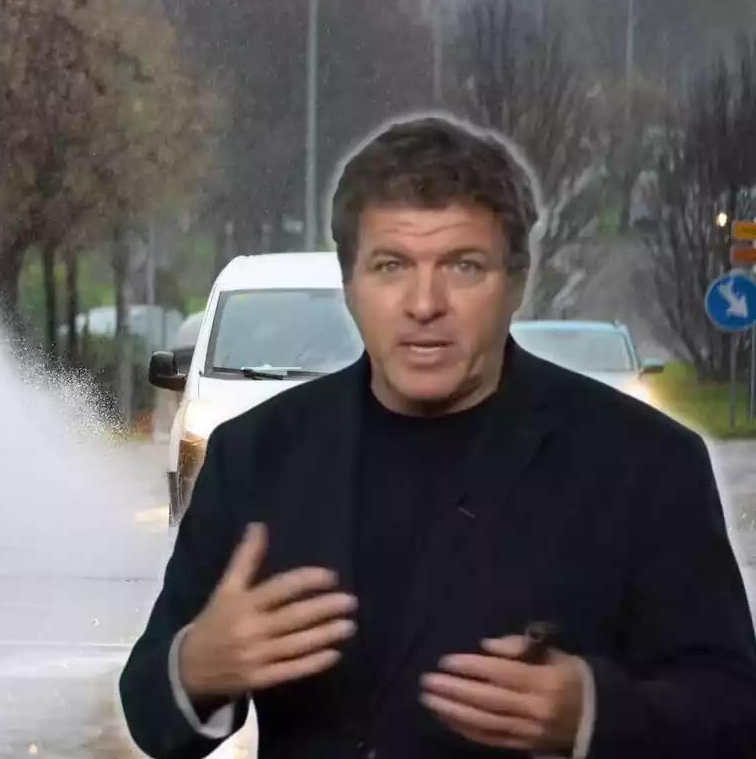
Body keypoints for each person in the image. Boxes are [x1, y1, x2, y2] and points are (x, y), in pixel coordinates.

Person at [117, 113, 756, 758]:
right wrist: (198, 667)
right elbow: (149, 708)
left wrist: (594, 714)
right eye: (391, 265)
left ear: (514, 283)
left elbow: (732, 713)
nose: (424, 303)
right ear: (350, 284)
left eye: (463, 266)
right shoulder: (255, 453)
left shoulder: (645, 463)